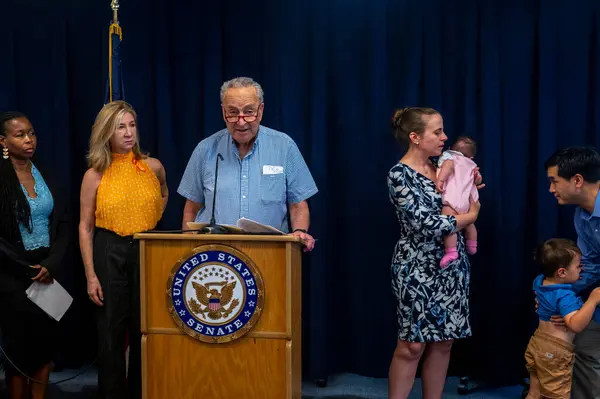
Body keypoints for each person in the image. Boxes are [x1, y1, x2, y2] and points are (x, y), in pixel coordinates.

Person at [387, 107, 481, 399]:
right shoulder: (399, 175)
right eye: (437, 132)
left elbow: (470, 187)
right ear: (415, 137)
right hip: (415, 265)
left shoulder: (446, 162)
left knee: (444, 342)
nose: (445, 137)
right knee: (412, 345)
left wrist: (473, 186)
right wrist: (469, 217)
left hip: (452, 266)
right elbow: (426, 224)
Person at [79, 101, 168, 399]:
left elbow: (163, 194)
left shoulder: (152, 167)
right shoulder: (95, 175)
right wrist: (91, 275)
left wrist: (150, 219)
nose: (128, 133)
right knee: (111, 331)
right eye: (120, 127)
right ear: (107, 132)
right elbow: (85, 227)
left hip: (145, 247)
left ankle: (142, 392)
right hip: (109, 249)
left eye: (132, 125)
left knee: (145, 327)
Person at [177, 77, 318, 251]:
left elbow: (298, 205)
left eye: (249, 112)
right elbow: (191, 209)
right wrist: (188, 250)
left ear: (261, 111)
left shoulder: (284, 146)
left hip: (271, 255)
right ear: (223, 113)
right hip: (214, 257)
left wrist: (299, 231)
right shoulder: (205, 150)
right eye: (233, 112)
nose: (241, 121)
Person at [0, 111, 70, 399]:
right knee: (19, 347)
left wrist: (51, 264)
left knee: (44, 343)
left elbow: (63, 222)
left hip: (47, 271)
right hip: (12, 273)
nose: (29, 140)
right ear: (3, 141)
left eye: (31, 133)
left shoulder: (45, 172)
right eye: (20, 135)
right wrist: (26, 268)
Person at [544, 147, 600, 399]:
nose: (551, 190)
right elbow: (589, 265)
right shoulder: (582, 215)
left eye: (554, 181)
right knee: (581, 341)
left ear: (577, 180)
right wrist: (556, 294)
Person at [525, 238, 600, 399]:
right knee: (558, 396)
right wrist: (592, 300)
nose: (582, 269)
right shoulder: (565, 295)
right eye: (578, 266)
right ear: (562, 272)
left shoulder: (540, 282)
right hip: (556, 352)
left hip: (537, 344)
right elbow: (575, 325)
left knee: (534, 392)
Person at [435, 136, 482, 268]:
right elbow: (477, 179)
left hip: (452, 200)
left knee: (449, 226)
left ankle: (451, 251)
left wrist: (441, 180)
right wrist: (477, 179)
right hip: (467, 202)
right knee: (470, 223)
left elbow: (448, 167)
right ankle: (472, 244)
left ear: (451, 149)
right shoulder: (471, 164)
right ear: (471, 157)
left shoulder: (449, 156)